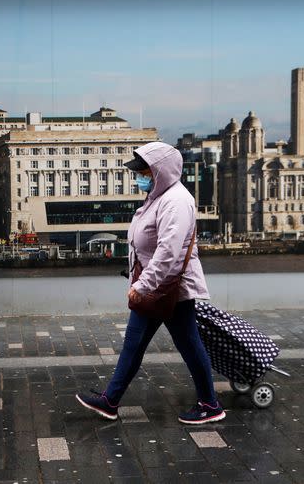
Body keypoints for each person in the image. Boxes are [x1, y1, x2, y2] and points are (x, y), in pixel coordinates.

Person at [76, 141, 224, 424]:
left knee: (166, 343)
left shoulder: (177, 201)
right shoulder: (159, 196)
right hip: (161, 286)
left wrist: (142, 286)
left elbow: (168, 252)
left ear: (160, 171)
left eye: (144, 172)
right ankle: (112, 400)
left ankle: (209, 404)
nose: (139, 177)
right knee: (165, 343)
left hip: (168, 287)